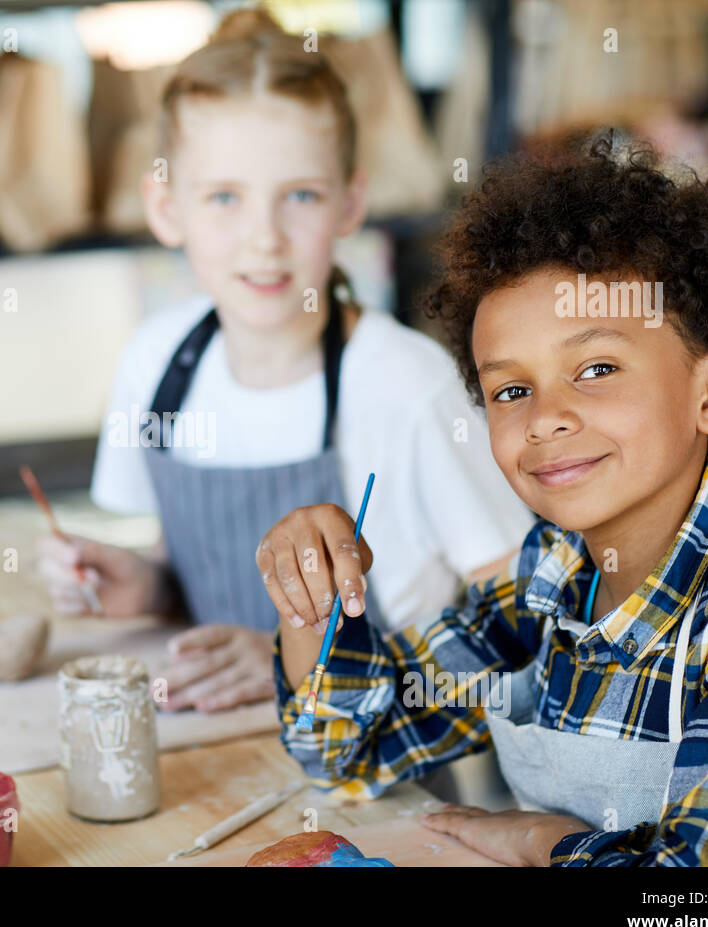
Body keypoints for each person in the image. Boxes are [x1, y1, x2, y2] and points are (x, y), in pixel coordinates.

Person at [259, 134, 708, 865]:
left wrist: (546, 841)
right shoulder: (544, 581)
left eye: (598, 367)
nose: (545, 416)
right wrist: (316, 600)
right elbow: (348, 749)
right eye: (511, 390)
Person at [37, 9, 532, 714]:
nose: (263, 239)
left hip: (382, 785)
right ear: (165, 206)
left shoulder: (406, 384)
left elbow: (520, 626)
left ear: (351, 202)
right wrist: (146, 588)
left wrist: (296, 661)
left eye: (300, 195)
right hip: (212, 752)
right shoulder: (155, 365)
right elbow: (187, 574)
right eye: (224, 198)